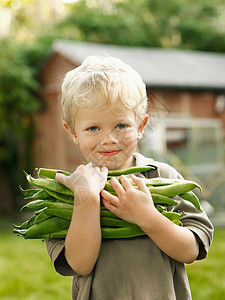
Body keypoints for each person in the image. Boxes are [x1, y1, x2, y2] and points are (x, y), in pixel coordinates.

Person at [45, 55, 213, 300]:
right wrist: (87, 199)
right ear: (73, 132)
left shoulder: (162, 177)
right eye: (93, 128)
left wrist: (147, 217)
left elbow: (191, 250)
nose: (109, 139)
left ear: (141, 125)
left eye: (121, 125)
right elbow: (80, 264)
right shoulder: (67, 190)